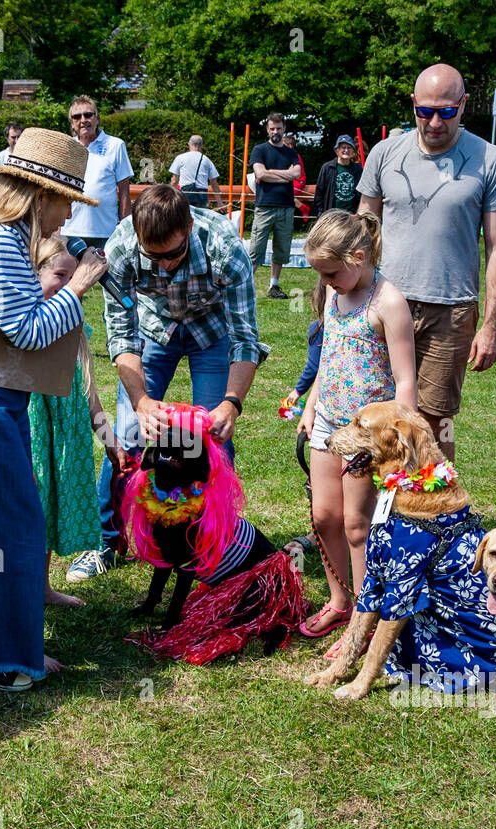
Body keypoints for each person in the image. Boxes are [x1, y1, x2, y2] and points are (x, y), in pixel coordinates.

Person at [0, 127, 108, 691]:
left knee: (3, 523)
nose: (65, 219)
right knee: (6, 526)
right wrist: (76, 289)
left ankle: (3, 643)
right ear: (39, 195)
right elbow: (27, 331)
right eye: (64, 204)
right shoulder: (1, 241)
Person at [66, 184, 266, 582]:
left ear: (190, 227)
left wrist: (231, 403)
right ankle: (106, 541)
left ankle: (212, 538)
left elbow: (246, 338)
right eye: (152, 257)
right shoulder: (121, 248)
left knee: (213, 442)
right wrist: (140, 401)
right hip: (153, 331)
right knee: (125, 435)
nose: (162, 266)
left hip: (212, 334)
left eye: (172, 254)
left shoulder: (226, 248)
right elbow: (121, 336)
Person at [356, 63, 496, 462]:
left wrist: (491, 326)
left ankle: (436, 515)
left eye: (446, 111)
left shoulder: (490, 159)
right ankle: (371, 517)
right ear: (413, 105)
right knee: (371, 409)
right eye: (425, 111)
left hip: (451, 311)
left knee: (433, 421)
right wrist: (346, 298)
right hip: (384, 303)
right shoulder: (385, 153)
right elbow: (362, 232)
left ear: (463, 105)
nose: (435, 121)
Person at [295, 210, 417, 641]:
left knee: (355, 525)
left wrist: (392, 444)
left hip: (366, 437)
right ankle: (339, 601)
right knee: (324, 516)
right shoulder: (333, 294)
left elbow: (405, 382)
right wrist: (311, 406)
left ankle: (365, 624)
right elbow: (328, 358)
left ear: (359, 257)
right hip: (329, 421)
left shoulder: (389, 302)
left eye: (330, 273)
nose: (325, 282)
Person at [26, 237, 126, 606]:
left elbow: (87, 387)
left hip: (67, 432)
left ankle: (41, 587)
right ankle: (21, 590)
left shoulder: (75, 323)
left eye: (76, 277)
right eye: (59, 275)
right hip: (37, 428)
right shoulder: (27, 322)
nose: (71, 285)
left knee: (52, 504)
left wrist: (108, 438)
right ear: (33, 274)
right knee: (33, 504)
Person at [61, 96, 132, 250]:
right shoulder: (67, 147)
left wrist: (125, 228)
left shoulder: (115, 145)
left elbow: (125, 190)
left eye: (88, 115)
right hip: (70, 230)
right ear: (72, 123)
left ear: (97, 119)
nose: (83, 120)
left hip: (106, 232)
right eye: (76, 117)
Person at [248, 112, 301, 299]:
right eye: (272, 128)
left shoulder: (291, 152)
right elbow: (260, 174)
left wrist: (272, 174)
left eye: (278, 128)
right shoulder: (259, 150)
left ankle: (274, 286)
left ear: (284, 128)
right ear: (267, 129)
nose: (275, 131)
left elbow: (296, 174)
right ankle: (245, 285)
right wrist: (283, 175)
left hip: (286, 207)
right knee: (256, 249)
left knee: (281, 250)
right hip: (264, 207)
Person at [313, 135, 364, 219]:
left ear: (353, 151)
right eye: (343, 147)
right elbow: (319, 193)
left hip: (352, 216)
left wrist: (359, 213)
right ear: (336, 151)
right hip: (331, 216)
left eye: (349, 148)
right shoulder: (327, 168)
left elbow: (362, 193)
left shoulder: (358, 169)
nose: (346, 150)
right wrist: (320, 214)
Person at [169, 135, 220, 208]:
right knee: (199, 218)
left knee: (184, 217)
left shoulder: (180, 158)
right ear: (201, 146)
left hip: (186, 192)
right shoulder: (207, 160)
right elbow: (214, 183)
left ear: (189, 144)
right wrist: (219, 202)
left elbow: (174, 180)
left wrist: (171, 197)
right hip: (202, 194)